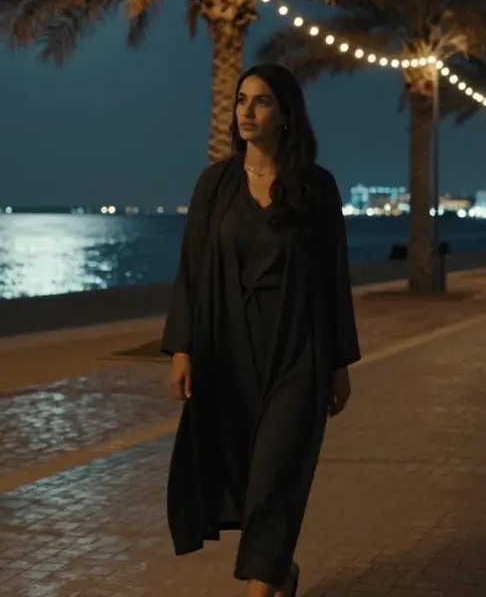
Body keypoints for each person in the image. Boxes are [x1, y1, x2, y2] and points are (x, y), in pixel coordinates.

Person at [162, 63, 361, 597]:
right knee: (247, 476)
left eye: (263, 101)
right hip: (228, 347)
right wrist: (181, 349)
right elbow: (192, 269)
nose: (247, 111)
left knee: (277, 470)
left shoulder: (316, 188)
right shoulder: (215, 185)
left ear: (286, 114)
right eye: (241, 100)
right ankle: (279, 572)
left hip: (298, 347)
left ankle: (258, 587)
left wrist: (339, 363)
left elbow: (333, 277)